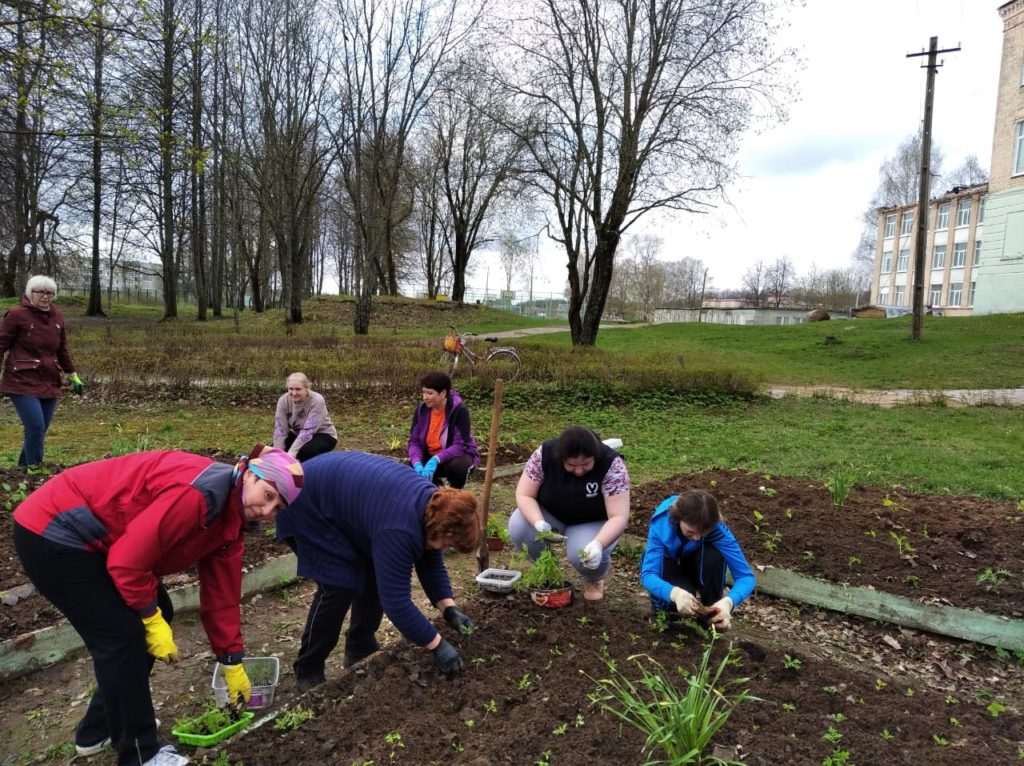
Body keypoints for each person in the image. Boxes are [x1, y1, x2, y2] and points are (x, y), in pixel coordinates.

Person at [13, 446, 304, 766]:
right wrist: (149, 620)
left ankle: (99, 730)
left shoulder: (231, 521)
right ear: (249, 474)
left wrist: (232, 661)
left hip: (100, 541)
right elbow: (127, 563)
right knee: (122, 636)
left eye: (278, 507)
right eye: (268, 495)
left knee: (158, 611)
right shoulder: (199, 496)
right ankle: (141, 755)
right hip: (56, 529)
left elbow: (222, 597)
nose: (267, 510)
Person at [275, 451, 480, 690]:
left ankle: (360, 646)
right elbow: (396, 602)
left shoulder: (432, 509)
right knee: (337, 585)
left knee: (374, 569)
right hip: (304, 503)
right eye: (448, 543)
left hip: (342, 504)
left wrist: (449, 608)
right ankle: (308, 669)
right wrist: (437, 644)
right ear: (440, 528)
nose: (445, 549)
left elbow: (430, 559)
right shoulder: (400, 528)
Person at [508, 426, 630, 602]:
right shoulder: (545, 454)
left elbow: (619, 516)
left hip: (590, 521)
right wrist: (538, 522)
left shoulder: (612, 465)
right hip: (550, 514)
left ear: (595, 456)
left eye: (586, 464)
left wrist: (598, 543)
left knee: (583, 555)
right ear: (562, 458)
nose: (579, 471)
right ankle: (547, 569)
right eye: (571, 465)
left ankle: (594, 579)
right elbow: (524, 494)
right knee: (519, 526)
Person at [640, 489, 755, 631]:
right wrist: (674, 593)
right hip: (667, 562)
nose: (696, 537)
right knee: (679, 602)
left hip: (693, 560)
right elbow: (648, 575)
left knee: (714, 556)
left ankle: (713, 614)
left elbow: (745, 576)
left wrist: (728, 602)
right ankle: (662, 612)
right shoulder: (662, 522)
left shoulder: (716, 528)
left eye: (703, 533)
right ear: (678, 519)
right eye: (690, 531)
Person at [0, 275, 82, 467]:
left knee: (39, 429)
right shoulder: (16, 315)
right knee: (35, 427)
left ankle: (22, 471)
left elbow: (62, 348)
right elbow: (1, 344)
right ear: (30, 293)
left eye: (50, 293)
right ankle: (35, 471)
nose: (45, 297)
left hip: (49, 379)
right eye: (40, 292)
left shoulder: (56, 316)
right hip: (21, 380)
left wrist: (73, 374)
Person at [407, 371, 480, 489]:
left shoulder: (459, 411)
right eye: (423, 392)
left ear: (443, 393)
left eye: (430, 393)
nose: (425, 397)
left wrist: (436, 459)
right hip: (430, 455)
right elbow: (414, 441)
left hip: (451, 457)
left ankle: (455, 493)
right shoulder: (422, 410)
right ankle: (435, 489)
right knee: (409, 471)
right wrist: (417, 462)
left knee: (458, 467)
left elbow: (459, 446)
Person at [272, 372, 338, 461]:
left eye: (298, 389)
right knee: (273, 450)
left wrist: (291, 455)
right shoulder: (283, 401)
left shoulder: (317, 400)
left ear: (307, 388)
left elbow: (308, 431)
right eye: (290, 389)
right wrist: (277, 455)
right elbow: (280, 429)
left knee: (305, 452)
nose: (294, 393)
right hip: (297, 433)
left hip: (323, 434)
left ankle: (319, 466)